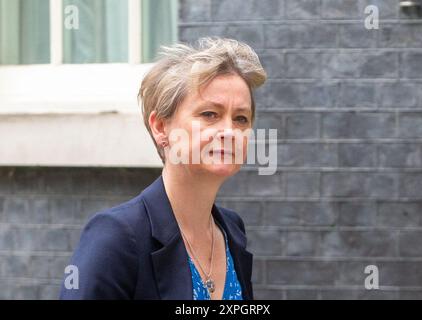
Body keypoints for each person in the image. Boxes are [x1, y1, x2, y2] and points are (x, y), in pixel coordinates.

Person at [59, 37, 267, 300]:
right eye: (209, 114)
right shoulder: (115, 237)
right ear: (160, 127)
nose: (230, 131)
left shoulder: (232, 230)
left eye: (241, 118)